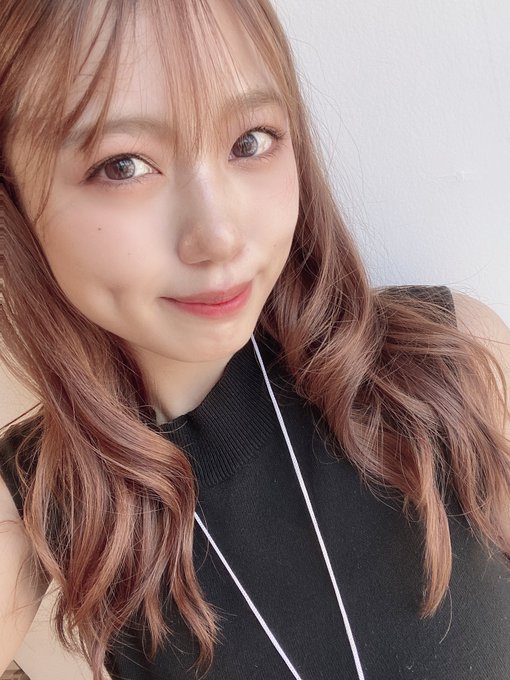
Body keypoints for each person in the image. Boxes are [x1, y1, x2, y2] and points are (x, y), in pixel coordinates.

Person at [1, 1, 509, 679]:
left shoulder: (453, 364)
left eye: (250, 141)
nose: (218, 236)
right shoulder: (34, 509)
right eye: (123, 165)